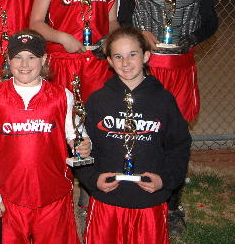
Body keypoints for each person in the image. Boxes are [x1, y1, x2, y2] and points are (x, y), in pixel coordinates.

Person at [118, 0, 218, 235]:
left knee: (175, 137)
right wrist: (139, 34)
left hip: (180, 67)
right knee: (142, 134)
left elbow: (211, 21)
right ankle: (139, 197)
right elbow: (123, 20)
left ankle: (173, 205)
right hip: (147, 71)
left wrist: (192, 37)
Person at [0, 30, 90, 243]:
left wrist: (84, 146)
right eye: (18, 57)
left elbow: (76, 135)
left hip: (53, 197)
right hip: (6, 198)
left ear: (44, 59)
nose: (25, 64)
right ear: (8, 59)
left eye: (32, 57)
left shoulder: (62, 95)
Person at [75, 27, 191, 244]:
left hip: (149, 201)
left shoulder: (164, 100)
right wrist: (92, 179)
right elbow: (80, 148)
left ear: (146, 56)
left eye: (132, 54)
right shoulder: (97, 101)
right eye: (118, 56)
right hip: (107, 200)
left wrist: (165, 180)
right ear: (109, 61)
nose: (125, 62)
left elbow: (179, 146)